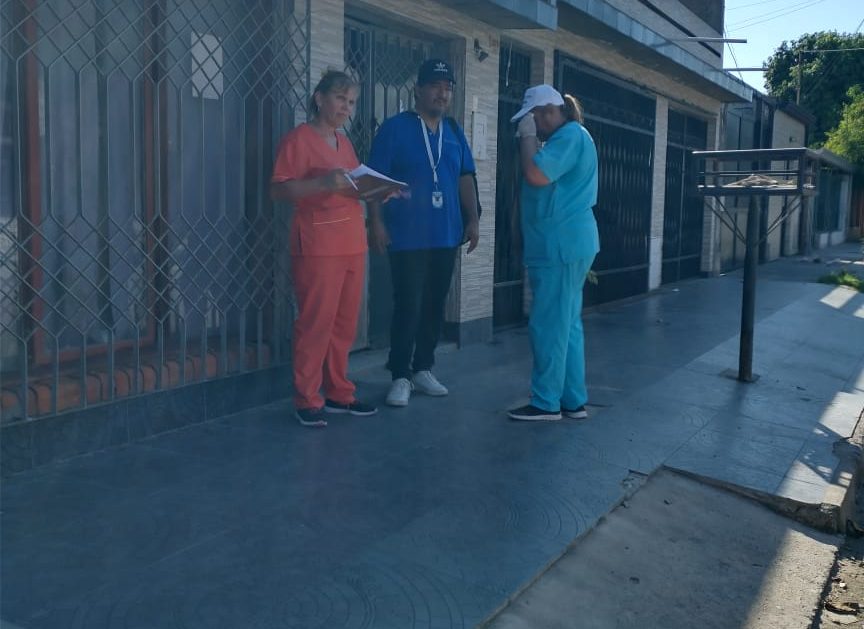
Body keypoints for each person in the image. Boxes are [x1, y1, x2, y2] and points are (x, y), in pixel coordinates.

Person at [366, 58, 480, 408]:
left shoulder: (454, 132)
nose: (442, 94)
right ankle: (400, 374)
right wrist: (376, 222)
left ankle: (423, 368)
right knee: (408, 304)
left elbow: (465, 176)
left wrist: (473, 219)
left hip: (445, 234)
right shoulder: (395, 128)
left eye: (447, 88)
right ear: (418, 90)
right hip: (406, 235)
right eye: (435, 86)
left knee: (434, 303)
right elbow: (374, 179)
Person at [271, 71, 377, 427]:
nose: (347, 108)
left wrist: (378, 191)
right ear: (319, 98)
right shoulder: (298, 140)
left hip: (351, 242)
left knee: (344, 324)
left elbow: (352, 185)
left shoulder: (344, 143)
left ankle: (339, 393)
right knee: (316, 322)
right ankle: (307, 398)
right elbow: (279, 190)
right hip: (318, 244)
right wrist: (321, 183)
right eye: (340, 99)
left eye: (352, 102)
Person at [506, 85, 599, 422]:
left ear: (547, 112)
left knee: (548, 325)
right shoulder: (571, 137)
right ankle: (572, 400)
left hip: (559, 247)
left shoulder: (570, 136)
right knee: (566, 325)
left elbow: (536, 174)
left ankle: (546, 402)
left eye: (533, 118)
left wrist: (527, 138)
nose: (533, 124)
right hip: (566, 245)